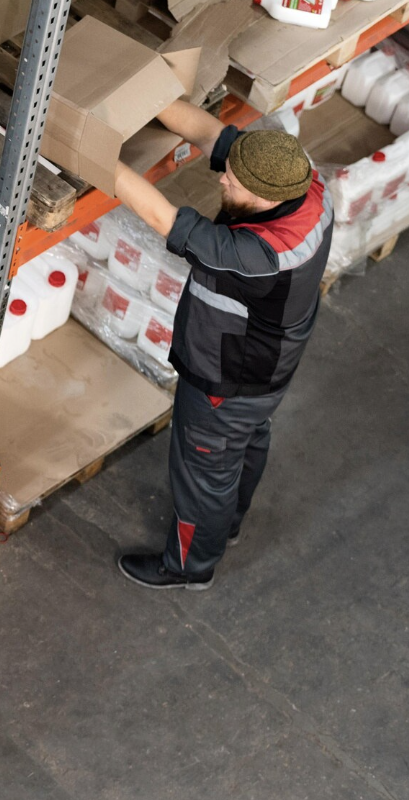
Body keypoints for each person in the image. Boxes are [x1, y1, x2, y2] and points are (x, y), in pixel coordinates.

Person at [112, 100, 332, 590]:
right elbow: (212, 134)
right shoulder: (303, 181)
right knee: (244, 442)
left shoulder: (258, 256)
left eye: (232, 180)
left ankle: (190, 567)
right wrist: (152, 94)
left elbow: (162, 217)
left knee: (204, 472)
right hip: (271, 361)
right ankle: (227, 522)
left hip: (227, 380)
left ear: (264, 197)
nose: (222, 179)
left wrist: (90, 151)